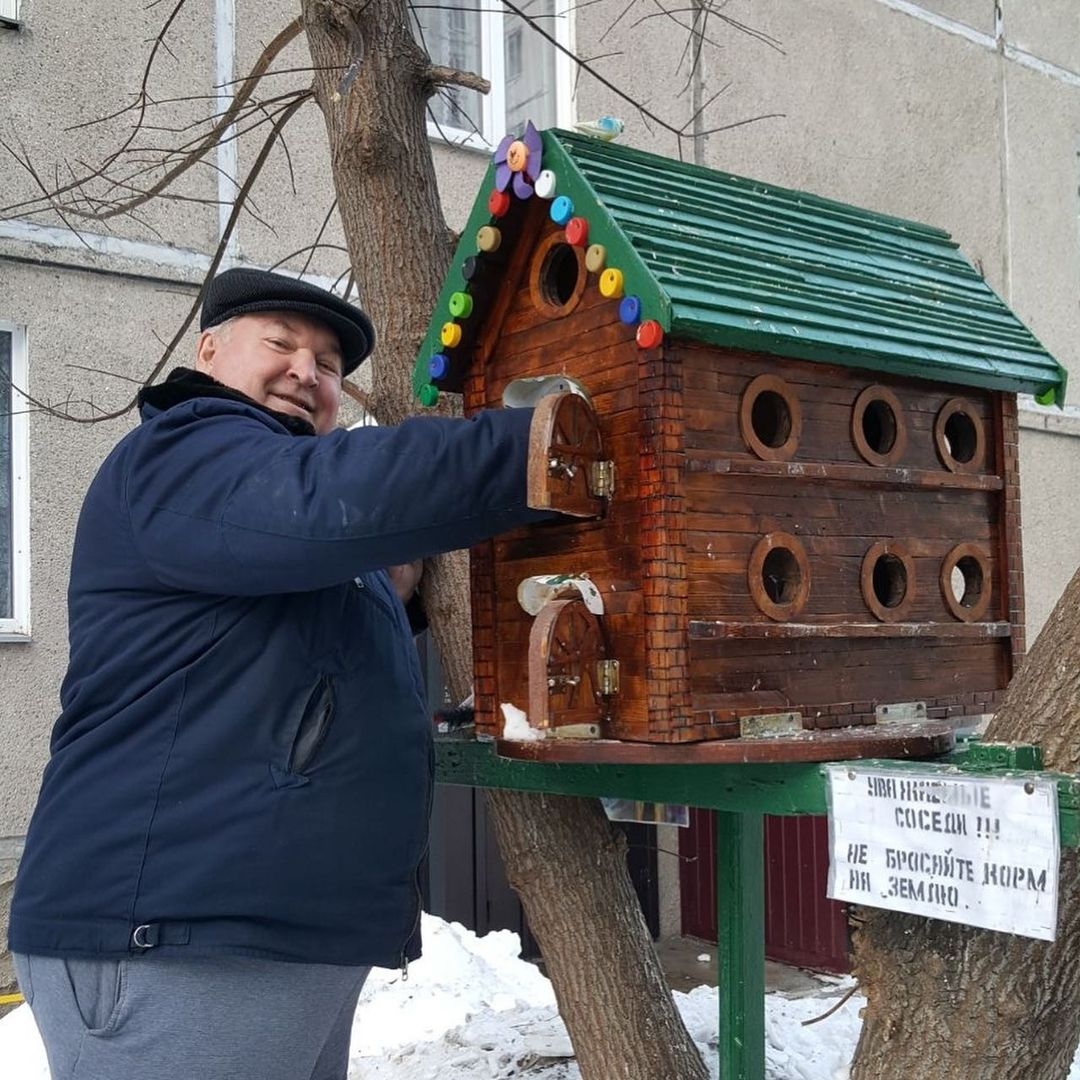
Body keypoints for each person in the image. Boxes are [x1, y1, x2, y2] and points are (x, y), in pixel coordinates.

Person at [8, 267, 552, 1080]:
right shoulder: (185, 451)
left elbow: (296, 626)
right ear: (210, 350)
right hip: (174, 939)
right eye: (283, 343)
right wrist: (549, 441)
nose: (308, 369)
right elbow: (331, 498)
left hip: (262, 935)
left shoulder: (264, 515)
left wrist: (399, 592)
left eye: (330, 363)